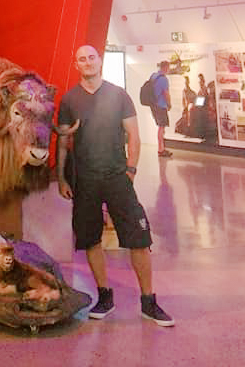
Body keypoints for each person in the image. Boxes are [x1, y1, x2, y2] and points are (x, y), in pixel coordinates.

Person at [56, 44, 174, 326]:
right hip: (84, 181)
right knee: (90, 239)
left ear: (100, 61)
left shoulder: (118, 95)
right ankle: (104, 296)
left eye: (91, 57)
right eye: (82, 59)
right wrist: (61, 178)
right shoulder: (69, 100)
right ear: (76, 65)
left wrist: (130, 171)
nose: (88, 62)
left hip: (117, 178)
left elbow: (133, 135)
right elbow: (62, 142)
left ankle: (148, 301)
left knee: (139, 238)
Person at [151, 60, 173, 157]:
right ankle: (161, 149)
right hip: (161, 106)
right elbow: (166, 93)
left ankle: (161, 148)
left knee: (161, 127)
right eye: (168, 68)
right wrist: (169, 104)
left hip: (154, 105)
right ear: (165, 68)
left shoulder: (153, 76)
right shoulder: (164, 79)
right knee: (161, 127)